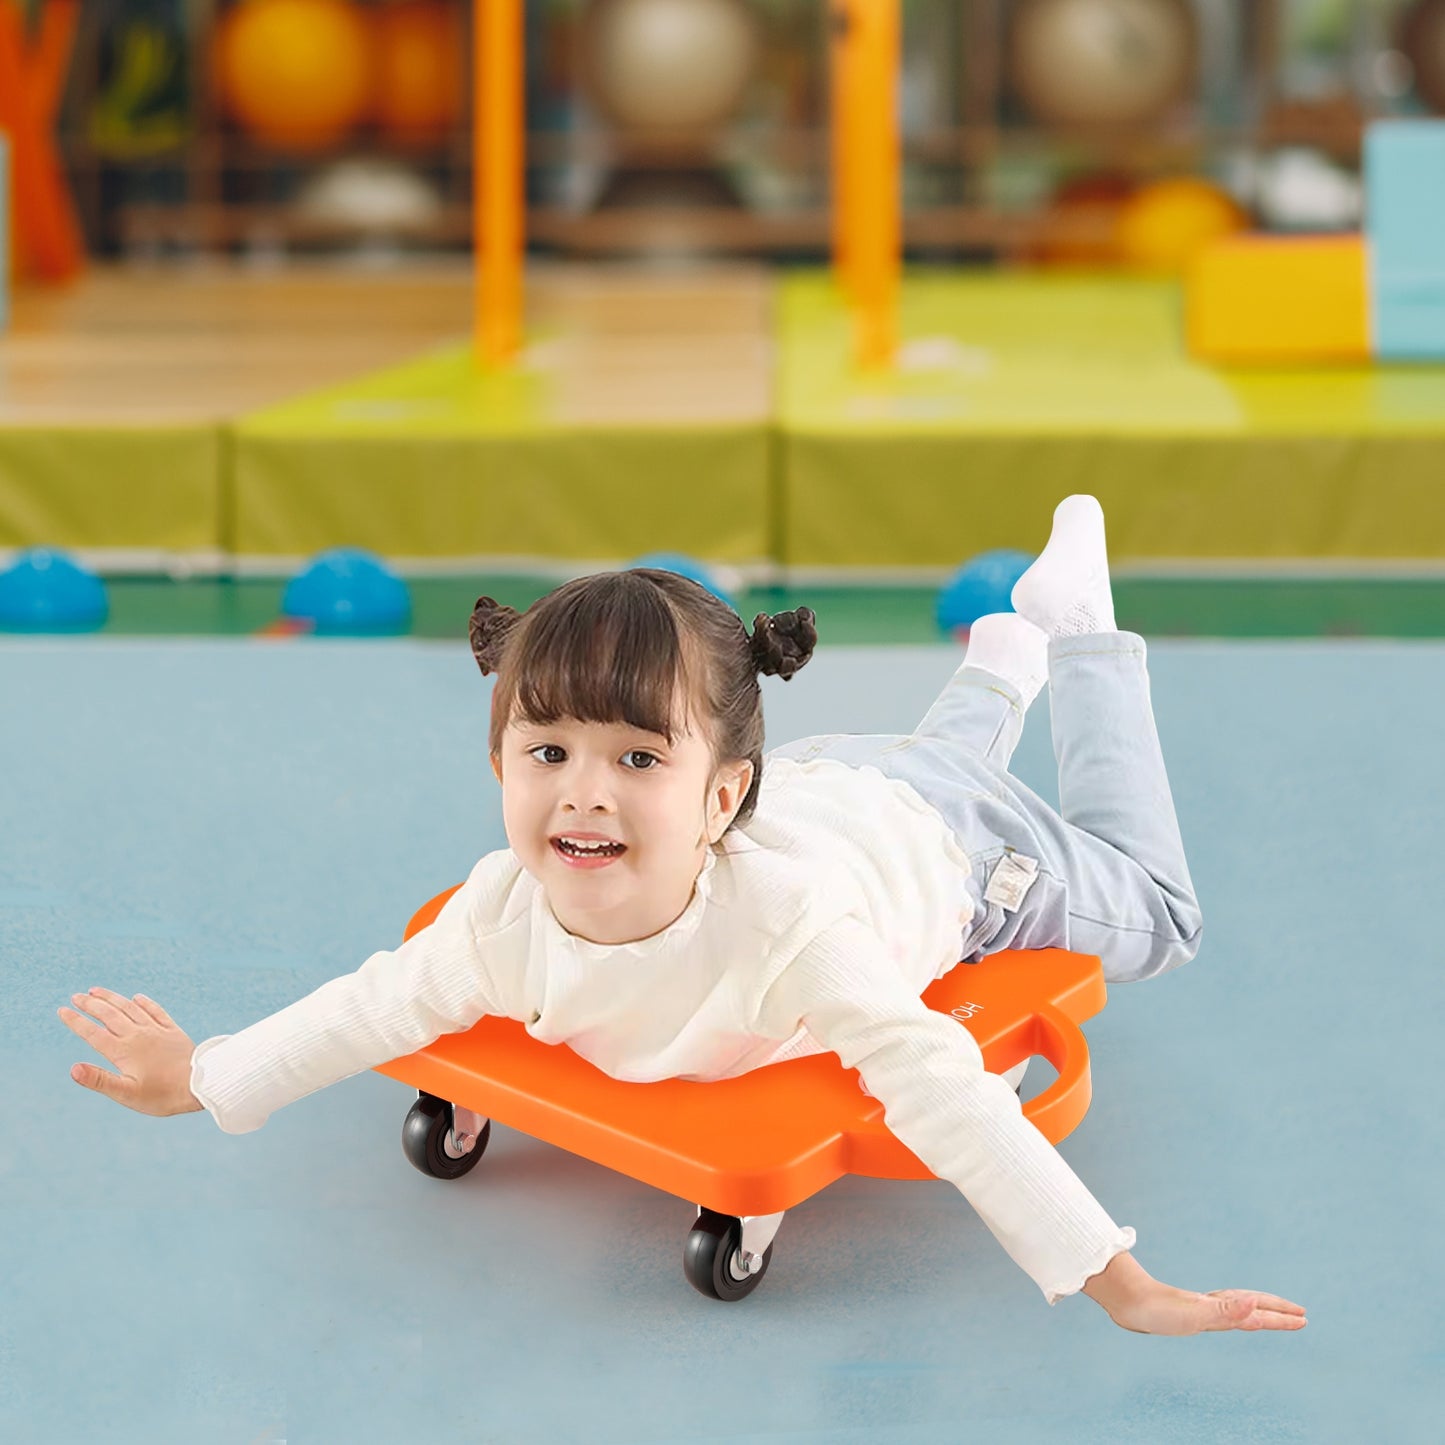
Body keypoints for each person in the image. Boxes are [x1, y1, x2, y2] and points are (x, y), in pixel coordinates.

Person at [58, 495, 1307, 1337]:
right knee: (928, 763)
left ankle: (1072, 638)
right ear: (498, 760)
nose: (582, 791)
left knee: (1158, 913)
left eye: (632, 759)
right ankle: (999, 657)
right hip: (834, 783)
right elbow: (365, 1004)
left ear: (716, 795)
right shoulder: (502, 914)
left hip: (962, 856)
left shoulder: (794, 936)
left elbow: (947, 1094)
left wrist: (1118, 1281)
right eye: (545, 748)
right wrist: (201, 1077)